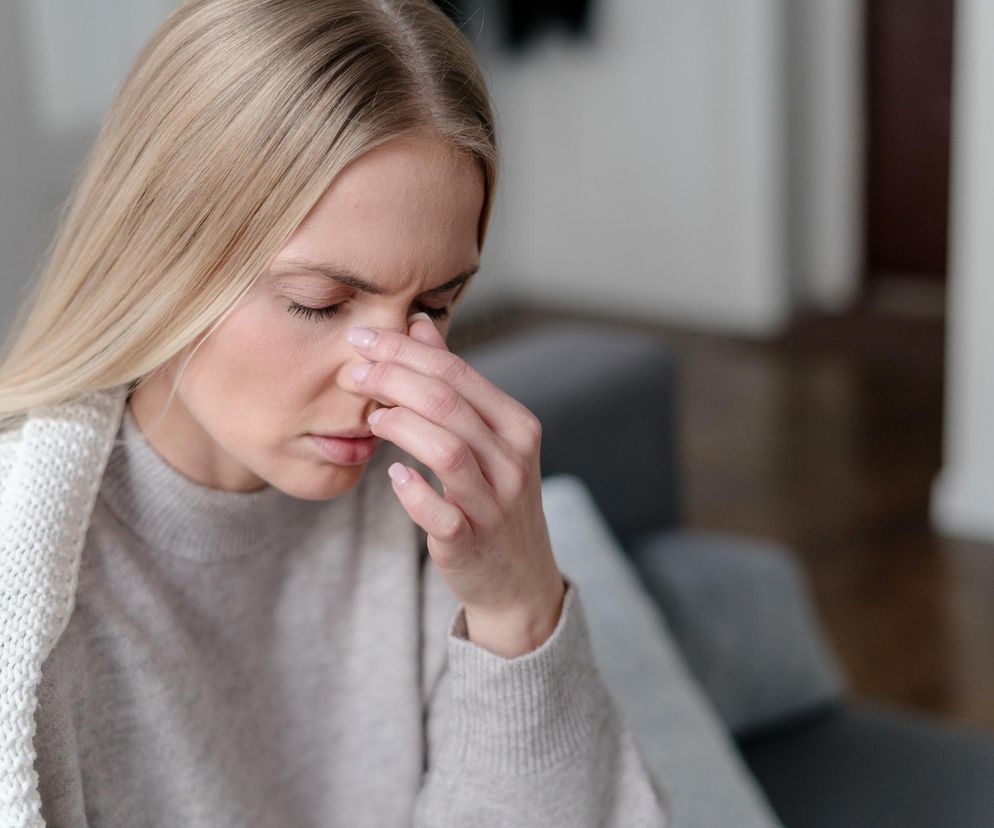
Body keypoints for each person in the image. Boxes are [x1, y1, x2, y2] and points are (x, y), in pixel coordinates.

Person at [0, 1, 668, 825]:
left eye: (434, 305)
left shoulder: (432, 506)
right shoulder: (30, 594)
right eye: (319, 303)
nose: (385, 379)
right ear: (159, 260)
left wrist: (518, 612)